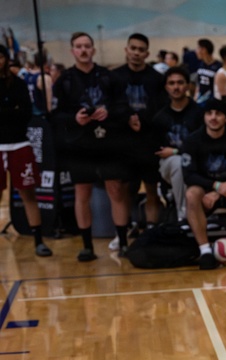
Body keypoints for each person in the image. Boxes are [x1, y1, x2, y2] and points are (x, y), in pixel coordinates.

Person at [53, 31, 131, 261]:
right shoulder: (65, 80)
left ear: (93, 49)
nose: (84, 50)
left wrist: (108, 112)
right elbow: (56, 115)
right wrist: (74, 119)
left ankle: (123, 242)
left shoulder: (108, 77)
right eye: (79, 46)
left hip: (108, 141)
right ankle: (87, 246)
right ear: (72, 51)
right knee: (82, 192)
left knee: (115, 189)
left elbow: (124, 107)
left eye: (87, 46)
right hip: (80, 144)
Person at [180, 97, 226, 269]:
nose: (213, 117)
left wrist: (220, 190)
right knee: (191, 193)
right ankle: (205, 251)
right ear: (204, 117)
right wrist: (216, 186)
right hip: (205, 192)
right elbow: (188, 175)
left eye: (218, 114)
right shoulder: (192, 141)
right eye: (209, 113)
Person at [0, 44, 51, 257]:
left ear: (5, 59)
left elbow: (25, 113)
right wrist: (10, 110)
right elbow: (15, 111)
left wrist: (7, 113)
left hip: (20, 144)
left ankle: (38, 240)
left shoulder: (18, 84)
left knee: (28, 194)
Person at [114, 33, 166, 230]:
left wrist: (141, 121)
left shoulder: (157, 79)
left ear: (147, 54)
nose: (136, 53)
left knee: (152, 189)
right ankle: (125, 230)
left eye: (141, 50)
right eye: (133, 48)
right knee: (126, 189)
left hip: (149, 142)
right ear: (126, 50)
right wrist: (127, 118)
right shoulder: (115, 76)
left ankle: (152, 229)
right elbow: (112, 106)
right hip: (124, 143)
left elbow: (161, 110)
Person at [150, 66, 203, 224]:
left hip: (197, 163)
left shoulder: (199, 113)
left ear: (187, 86)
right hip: (169, 166)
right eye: (172, 83)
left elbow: (202, 146)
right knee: (179, 162)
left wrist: (175, 151)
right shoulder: (160, 117)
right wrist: (177, 154)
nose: (176, 87)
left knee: (181, 160)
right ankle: (183, 215)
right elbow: (157, 150)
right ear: (166, 87)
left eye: (180, 82)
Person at [192, 38, 221, 106]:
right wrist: (195, 97)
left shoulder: (218, 66)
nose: (196, 51)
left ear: (204, 50)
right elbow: (199, 83)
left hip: (213, 101)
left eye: (198, 48)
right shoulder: (200, 64)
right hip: (201, 99)